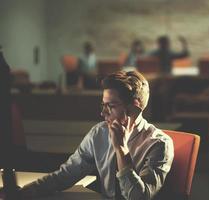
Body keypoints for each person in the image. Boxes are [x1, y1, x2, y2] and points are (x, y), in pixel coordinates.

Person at [18, 71, 174, 199]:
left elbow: (139, 197)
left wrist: (121, 150)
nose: (102, 113)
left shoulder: (159, 144)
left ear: (134, 107)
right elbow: (66, 175)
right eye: (103, 105)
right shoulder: (99, 133)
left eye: (110, 106)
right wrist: (28, 191)